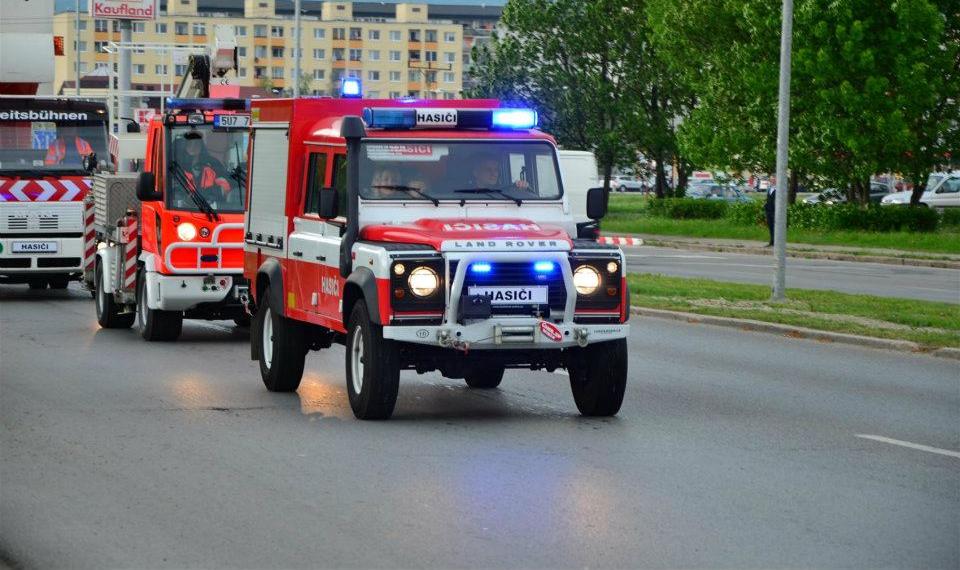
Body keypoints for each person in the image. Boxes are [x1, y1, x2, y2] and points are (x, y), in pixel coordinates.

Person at [175, 132, 232, 205]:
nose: (193, 147)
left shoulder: (213, 164)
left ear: (201, 145)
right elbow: (175, 192)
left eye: (196, 143)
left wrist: (206, 194)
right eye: (190, 144)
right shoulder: (177, 167)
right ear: (184, 146)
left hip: (211, 208)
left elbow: (225, 186)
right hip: (185, 208)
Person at [764, 181, 776, 247]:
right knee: (770, 226)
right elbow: (768, 199)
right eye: (771, 180)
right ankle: (771, 241)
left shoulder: (778, 189)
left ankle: (776, 242)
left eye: (774, 179)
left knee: (775, 227)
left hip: (775, 211)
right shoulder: (769, 189)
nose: (772, 181)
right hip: (768, 210)